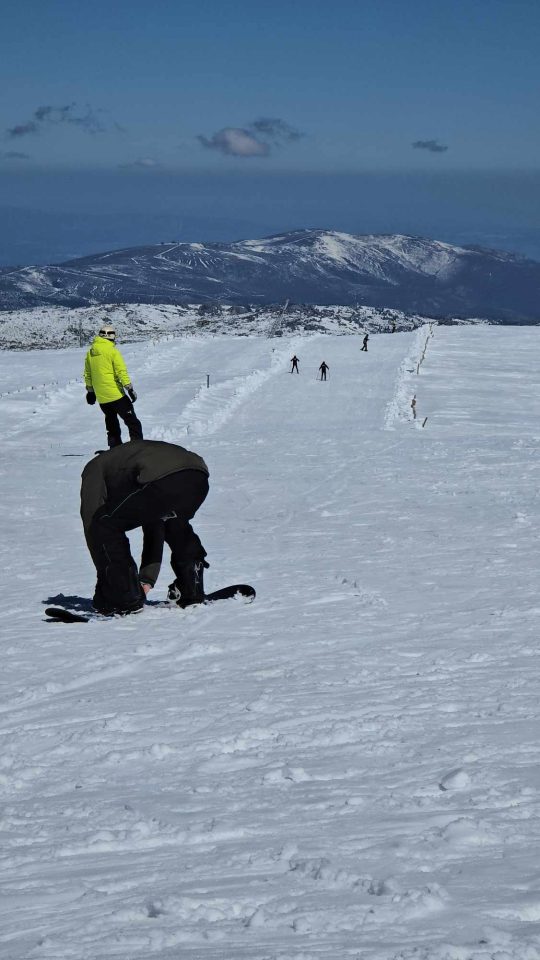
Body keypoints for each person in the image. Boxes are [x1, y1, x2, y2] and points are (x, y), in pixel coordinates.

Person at [80, 440, 209, 615]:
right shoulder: (128, 461)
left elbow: (91, 520)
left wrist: (106, 580)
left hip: (163, 477)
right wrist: (147, 580)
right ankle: (191, 587)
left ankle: (124, 595)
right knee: (172, 522)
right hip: (198, 477)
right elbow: (155, 524)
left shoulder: (94, 467)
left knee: (102, 524)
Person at [84, 322, 143, 448]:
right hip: (116, 395)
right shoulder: (112, 351)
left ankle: (114, 449)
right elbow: (121, 372)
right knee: (133, 422)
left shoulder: (90, 353)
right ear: (111, 336)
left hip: (102, 398)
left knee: (111, 424)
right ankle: (137, 448)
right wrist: (130, 389)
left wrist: (90, 392)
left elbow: (88, 374)